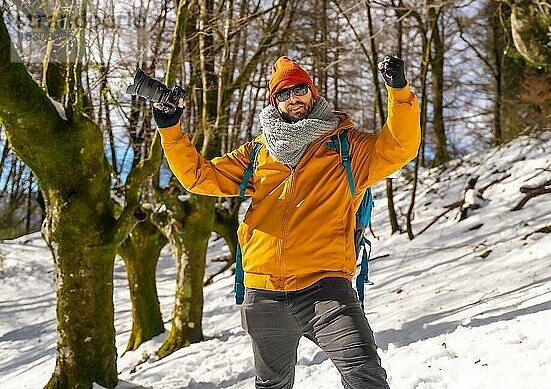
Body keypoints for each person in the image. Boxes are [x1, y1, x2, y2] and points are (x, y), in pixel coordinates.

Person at [153, 55, 420, 389]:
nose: (293, 98)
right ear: (274, 102)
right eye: (283, 94)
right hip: (264, 293)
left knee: (364, 374)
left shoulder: (347, 147)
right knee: (272, 386)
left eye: (300, 89)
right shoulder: (258, 153)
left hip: (326, 288)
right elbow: (199, 176)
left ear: (313, 92)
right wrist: (170, 129)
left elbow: (400, 147)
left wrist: (399, 93)